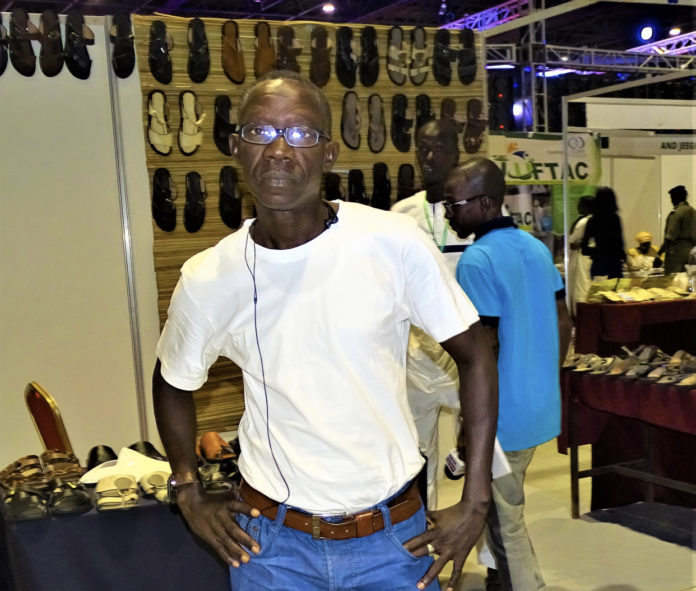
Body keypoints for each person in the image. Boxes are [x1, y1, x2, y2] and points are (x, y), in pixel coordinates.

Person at [152, 71, 498, 591]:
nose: (279, 150)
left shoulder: (392, 242)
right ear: (236, 147)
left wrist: (476, 501)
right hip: (272, 550)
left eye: (301, 133)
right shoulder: (210, 277)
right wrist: (187, 488)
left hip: (393, 541)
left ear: (329, 154)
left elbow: (476, 354)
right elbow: (171, 380)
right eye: (261, 131)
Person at [443, 158, 572, 591]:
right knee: (507, 508)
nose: (449, 214)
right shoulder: (534, 247)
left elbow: (485, 349)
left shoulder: (477, 260)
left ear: (484, 203)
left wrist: (471, 425)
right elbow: (563, 319)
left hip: (502, 416)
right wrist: (542, 376)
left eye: (454, 204)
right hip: (539, 405)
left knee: (503, 521)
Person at [390, 119, 471, 510]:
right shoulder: (401, 215)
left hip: (467, 349)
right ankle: (421, 529)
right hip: (418, 353)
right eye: (423, 147)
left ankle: (488, 541)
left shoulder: (476, 210)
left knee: (483, 449)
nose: (429, 156)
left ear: (456, 153)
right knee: (417, 454)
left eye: (439, 148)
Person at [581, 187, 626, 279]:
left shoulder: (593, 221)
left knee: (599, 287)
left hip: (599, 263)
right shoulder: (615, 219)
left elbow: (584, 248)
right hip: (614, 264)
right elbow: (620, 243)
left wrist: (598, 251)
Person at [658, 185, 696, 274]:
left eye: (672, 198)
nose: (671, 201)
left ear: (677, 197)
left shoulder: (677, 213)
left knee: (673, 279)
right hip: (692, 252)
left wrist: (658, 254)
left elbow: (669, 238)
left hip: (677, 252)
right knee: (689, 279)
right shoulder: (693, 212)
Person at [567, 195, 593, 315]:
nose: (577, 207)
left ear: (586, 207)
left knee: (581, 288)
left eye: (580, 204)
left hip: (582, 258)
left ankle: (580, 316)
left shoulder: (583, 222)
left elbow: (571, 240)